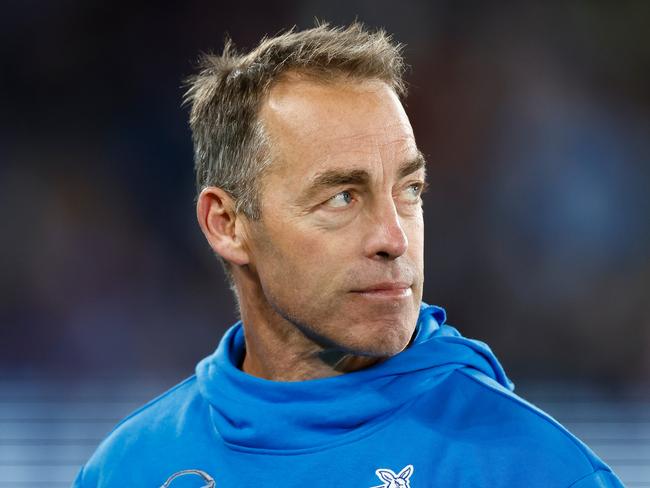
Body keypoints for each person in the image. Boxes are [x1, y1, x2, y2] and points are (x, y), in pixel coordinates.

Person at [74, 23, 623, 487]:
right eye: (342, 197)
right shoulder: (128, 469)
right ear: (228, 225)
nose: (394, 238)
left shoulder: (531, 469)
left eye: (409, 191)